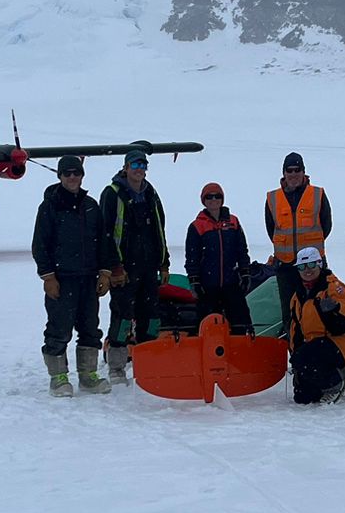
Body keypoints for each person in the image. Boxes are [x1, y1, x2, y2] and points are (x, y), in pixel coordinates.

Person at [31, 153, 115, 395]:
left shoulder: (91, 206)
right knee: (59, 328)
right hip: (62, 278)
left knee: (90, 328)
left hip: (88, 278)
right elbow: (40, 244)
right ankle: (58, 378)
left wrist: (105, 273)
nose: (72, 177)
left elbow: (103, 241)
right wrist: (48, 277)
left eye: (76, 173)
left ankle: (88, 375)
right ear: (59, 176)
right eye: (67, 173)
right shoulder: (49, 206)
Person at [98, 148, 169, 384]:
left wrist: (163, 263)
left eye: (143, 166)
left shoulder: (151, 194)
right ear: (126, 167)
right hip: (124, 269)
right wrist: (113, 266)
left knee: (150, 318)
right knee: (122, 317)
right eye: (135, 165)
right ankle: (117, 366)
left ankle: (146, 363)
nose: (139, 170)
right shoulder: (113, 193)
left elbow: (160, 229)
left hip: (148, 267)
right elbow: (106, 233)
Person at [284, 246, 345, 404]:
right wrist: (295, 353)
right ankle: (340, 377)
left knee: (308, 354)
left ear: (320, 265)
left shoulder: (333, 287)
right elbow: (296, 328)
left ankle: (337, 383)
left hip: (340, 341)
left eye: (312, 265)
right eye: (302, 266)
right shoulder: (297, 296)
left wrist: (336, 308)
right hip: (314, 346)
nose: (307, 270)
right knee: (303, 396)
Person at [184, 181, 254, 333]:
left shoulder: (233, 222)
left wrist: (245, 272)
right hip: (208, 286)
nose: (213, 200)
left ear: (222, 199)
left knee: (241, 324)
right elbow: (192, 257)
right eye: (209, 197)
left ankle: (242, 353)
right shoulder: (197, 226)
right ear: (204, 200)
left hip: (232, 283)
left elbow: (242, 250)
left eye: (217, 196)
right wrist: (194, 281)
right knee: (208, 327)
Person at [263, 151, 332, 299]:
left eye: (297, 170)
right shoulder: (272, 198)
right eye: (289, 170)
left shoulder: (317, 194)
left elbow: (327, 225)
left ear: (303, 172)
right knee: (289, 311)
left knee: (317, 308)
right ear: (284, 173)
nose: (293, 174)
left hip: (313, 265)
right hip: (285, 265)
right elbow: (271, 229)